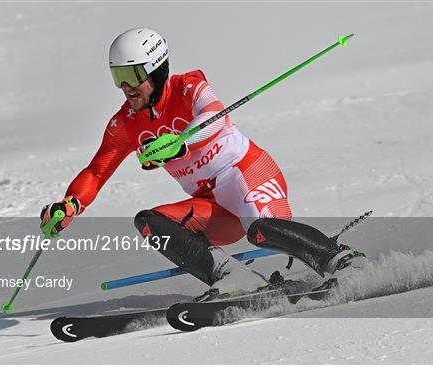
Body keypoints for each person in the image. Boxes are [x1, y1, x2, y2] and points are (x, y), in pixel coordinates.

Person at [40, 28, 366, 300]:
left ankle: (344, 261)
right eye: (118, 77)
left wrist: (181, 142)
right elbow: (97, 171)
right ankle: (234, 277)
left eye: (132, 75)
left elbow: (215, 116)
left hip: (245, 174)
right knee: (151, 222)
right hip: (213, 206)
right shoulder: (125, 123)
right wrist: (71, 204)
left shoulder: (188, 86)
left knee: (261, 230)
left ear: (156, 70)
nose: (125, 87)